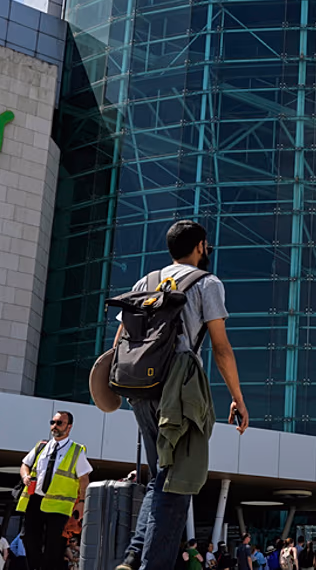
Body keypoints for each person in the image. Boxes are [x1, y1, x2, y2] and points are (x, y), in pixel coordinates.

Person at [115, 220, 249, 570]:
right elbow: (220, 347)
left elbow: (121, 339)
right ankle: (149, 564)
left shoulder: (146, 281)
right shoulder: (207, 283)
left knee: (162, 474)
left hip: (139, 386)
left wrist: (113, 384)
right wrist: (237, 396)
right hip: (179, 386)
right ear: (201, 246)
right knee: (178, 481)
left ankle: (132, 556)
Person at [18, 410, 92, 570]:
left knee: (54, 545)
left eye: (59, 423)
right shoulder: (41, 446)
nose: (54, 426)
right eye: (53, 422)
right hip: (35, 500)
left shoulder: (76, 450)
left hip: (59, 507)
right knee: (28, 538)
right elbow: (25, 464)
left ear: (69, 427)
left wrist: (82, 502)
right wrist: (25, 477)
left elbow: (84, 480)